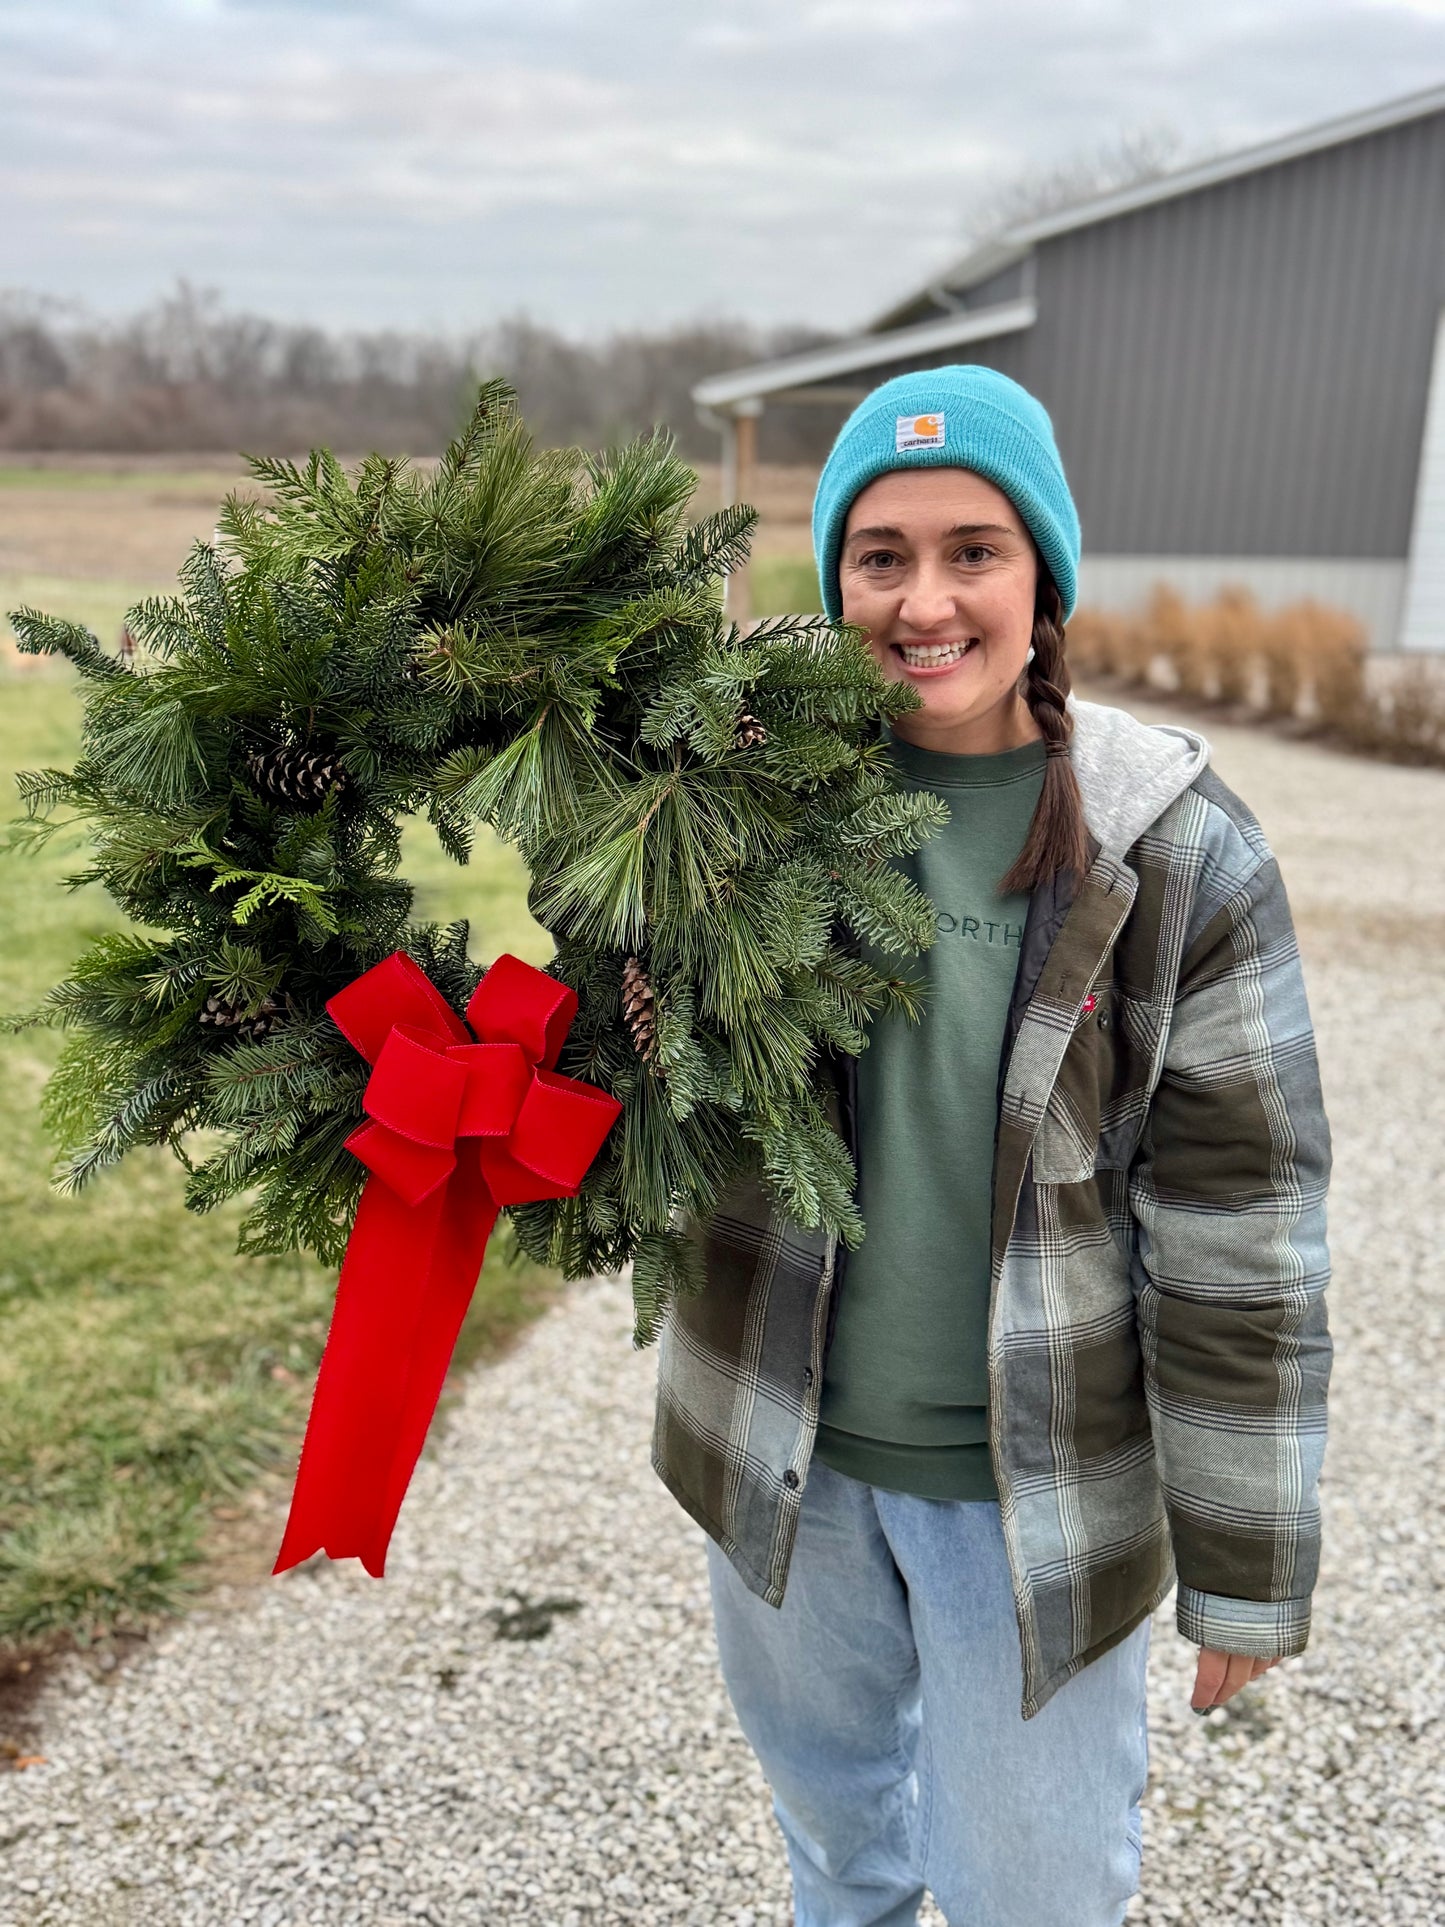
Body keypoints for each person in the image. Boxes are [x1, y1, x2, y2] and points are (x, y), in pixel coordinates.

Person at [649, 366, 1332, 1926]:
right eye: (879, 556)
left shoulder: (1172, 852)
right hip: (787, 1459)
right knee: (836, 1838)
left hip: (1031, 1490)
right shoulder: (745, 809)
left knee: (1031, 1887)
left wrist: (1244, 1551)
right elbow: (636, 1060)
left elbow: (1244, 1216)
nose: (925, 597)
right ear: (833, 585)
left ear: (1044, 580)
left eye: (974, 549)